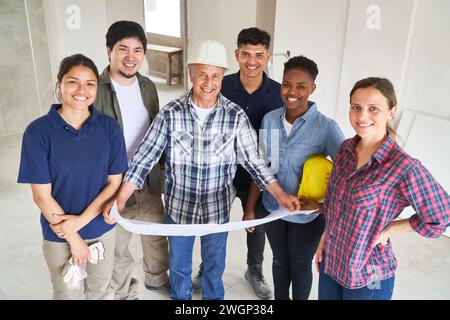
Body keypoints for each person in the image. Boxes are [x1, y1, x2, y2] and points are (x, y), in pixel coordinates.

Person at [103, 39, 301, 300]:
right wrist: (119, 199)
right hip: (179, 209)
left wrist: (282, 196)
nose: (209, 82)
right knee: (179, 266)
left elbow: (255, 163)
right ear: (190, 74)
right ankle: (181, 299)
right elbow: (145, 158)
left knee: (214, 266)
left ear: (222, 77)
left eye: (216, 75)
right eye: (202, 74)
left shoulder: (235, 116)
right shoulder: (170, 113)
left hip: (216, 210)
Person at [316, 77, 450, 300]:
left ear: (391, 112)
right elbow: (332, 203)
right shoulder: (345, 150)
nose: (362, 116)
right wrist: (324, 238)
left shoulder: (403, 166)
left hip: (370, 271)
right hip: (333, 260)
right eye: (356, 107)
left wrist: (390, 229)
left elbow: (442, 215)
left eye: (373, 109)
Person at [17, 54, 128, 299]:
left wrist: (79, 223)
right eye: (73, 82)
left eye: (90, 83)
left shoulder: (109, 128)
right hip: (58, 234)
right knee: (68, 294)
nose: (82, 90)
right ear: (60, 85)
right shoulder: (38, 132)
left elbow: (114, 183)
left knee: (100, 291)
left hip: (102, 230)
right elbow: (41, 196)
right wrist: (73, 237)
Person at [192, 27, 282, 300]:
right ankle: (207, 267)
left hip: (256, 174)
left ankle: (254, 269)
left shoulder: (277, 93)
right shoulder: (221, 83)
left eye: (258, 55)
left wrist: (268, 181)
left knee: (257, 223)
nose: (251, 61)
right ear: (236, 55)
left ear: (267, 55)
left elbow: (273, 146)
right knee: (212, 223)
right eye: (245, 54)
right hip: (220, 171)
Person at [245, 56, 345, 300]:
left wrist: (322, 208)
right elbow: (262, 169)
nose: (292, 92)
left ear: (312, 88)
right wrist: (250, 209)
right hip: (273, 208)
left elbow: (346, 178)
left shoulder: (326, 128)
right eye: (287, 84)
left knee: (300, 266)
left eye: (301, 86)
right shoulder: (269, 120)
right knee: (279, 262)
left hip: (308, 216)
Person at [94, 20, 169, 300]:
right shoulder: (96, 88)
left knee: (156, 238)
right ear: (109, 51)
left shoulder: (148, 86)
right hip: (111, 183)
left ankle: (157, 281)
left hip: (148, 179)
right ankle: (124, 291)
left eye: (138, 50)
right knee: (118, 244)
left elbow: (157, 129)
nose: (130, 57)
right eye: (122, 49)